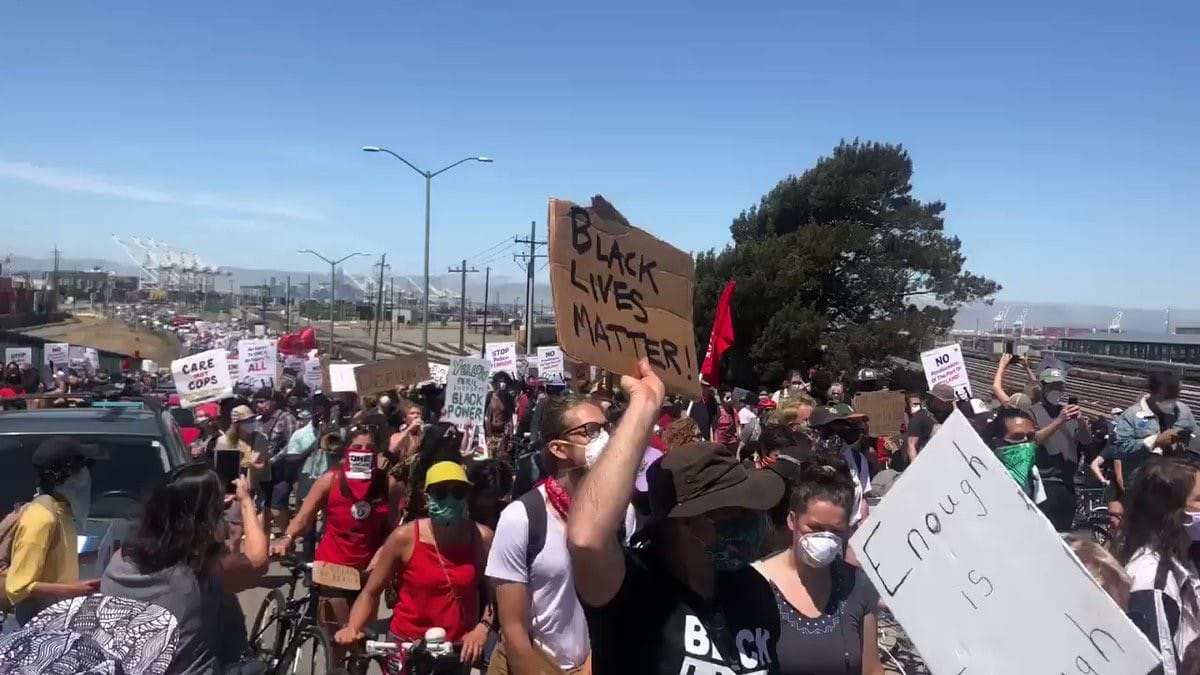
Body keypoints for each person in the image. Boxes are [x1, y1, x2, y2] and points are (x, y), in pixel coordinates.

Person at [568, 359, 784, 673]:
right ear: (683, 524)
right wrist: (644, 405)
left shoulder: (752, 589)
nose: (749, 522)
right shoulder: (632, 595)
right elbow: (586, 539)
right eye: (732, 514)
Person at [102, 466, 269, 674]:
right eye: (218, 513)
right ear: (204, 522)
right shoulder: (199, 573)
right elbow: (258, 560)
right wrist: (245, 503)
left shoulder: (120, 561)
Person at [336, 461, 494, 673]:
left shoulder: (481, 538)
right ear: (427, 497)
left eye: (457, 493)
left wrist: (482, 629)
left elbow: (496, 593)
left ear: (466, 496)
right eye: (440, 493)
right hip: (407, 647)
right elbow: (371, 592)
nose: (449, 500)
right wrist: (353, 627)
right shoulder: (405, 538)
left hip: (456, 649)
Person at [485, 394, 602, 674]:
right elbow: (514, 632)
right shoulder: (521, 518)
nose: (605, 439)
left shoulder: (622, 514)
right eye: (591, 432)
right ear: (559, 449)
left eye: (606, 428)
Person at [753, 453, 883, 675]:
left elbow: (871, 670)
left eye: (835, 531)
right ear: (792, 520)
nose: (824, 538)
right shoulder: (756, 584)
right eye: (814, 528)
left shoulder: (858, 585)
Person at [272, 426, 394, 650]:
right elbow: (304, 516)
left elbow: (392, 531)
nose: (363, 452)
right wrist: (288, 537)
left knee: (361, 646)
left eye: (369, 449)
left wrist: (381, 557)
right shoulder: (330, 479)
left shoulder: (387, 484)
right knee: (337, 644)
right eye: (357, 448)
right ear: (347, 451)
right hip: (333, 568)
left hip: (367, 573)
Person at [5, 437, 100, 625]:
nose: (87, 474)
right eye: (82, 468)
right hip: (38, 626)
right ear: (64, 476)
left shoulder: (61, 509)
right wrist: (76, 589)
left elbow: (51, 563)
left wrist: (94, 558)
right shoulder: (42, 518)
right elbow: (17, 587)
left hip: (58, 618)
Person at [1119, 456, 1200, 671]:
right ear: (1171, 511)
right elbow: (1159, 666)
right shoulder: (1152, 581)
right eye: (1199, 499)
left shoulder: (1186, 558)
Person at [1104, 371, 1198, 493]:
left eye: (1175, 396)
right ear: (1153, 392)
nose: (1172, 401)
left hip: (1175, 484)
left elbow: (1195, 437)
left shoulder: (1183, 411)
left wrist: (1185, 441)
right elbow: (1120, 448)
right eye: (1167, 396)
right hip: (1141, 485)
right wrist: (1154, 441)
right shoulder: (1131, 415)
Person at [1030, 368, 1091, 532]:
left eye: (1059, 386)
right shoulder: (1033, 411)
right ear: (1043, 387)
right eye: (1052, 386)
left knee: (1064, 531)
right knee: (1044, 531)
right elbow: (1034, 439)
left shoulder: (1067, 411)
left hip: (1067, 482)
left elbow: (1086, 440)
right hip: (1044, 482)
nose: (1056, 391)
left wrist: (1082, 423)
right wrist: (1059, 421)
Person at [808, 403, 872, 527]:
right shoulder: (809, 460)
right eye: (846, 423)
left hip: (850, 532)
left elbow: (862, 499)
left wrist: (865, 528)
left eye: (855, 424)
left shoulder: (858, 459)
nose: (854, 428)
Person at [254, 388, 301, 535]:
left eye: (262, 402)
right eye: (256, 402)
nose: (258, 405)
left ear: (273, 402)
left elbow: (292, 443)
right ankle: (264, 547)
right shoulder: (257, 421)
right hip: (262, 473)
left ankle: (288, 540)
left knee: (277, 509)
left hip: (281, 472)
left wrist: (273, 460)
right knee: (264, 510)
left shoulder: (286, 417)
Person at [905, 384, 955, 465]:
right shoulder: (920, 417)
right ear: (935, 399)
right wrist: (915, 467)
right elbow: (911, 445)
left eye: (949, 402)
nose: (947, 405)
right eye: (945, 402)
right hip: (927, 460)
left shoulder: (952, 413)